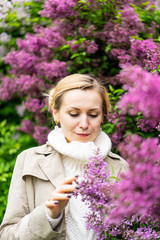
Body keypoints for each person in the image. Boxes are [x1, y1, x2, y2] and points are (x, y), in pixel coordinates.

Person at [0, 73, 129, 240]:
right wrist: (48, 215)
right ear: (56, 114)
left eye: (93, 114)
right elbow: (7, 235)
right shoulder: (30, 160)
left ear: (103, 116)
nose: (84, 124)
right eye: (74, 114)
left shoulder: (121, 168)